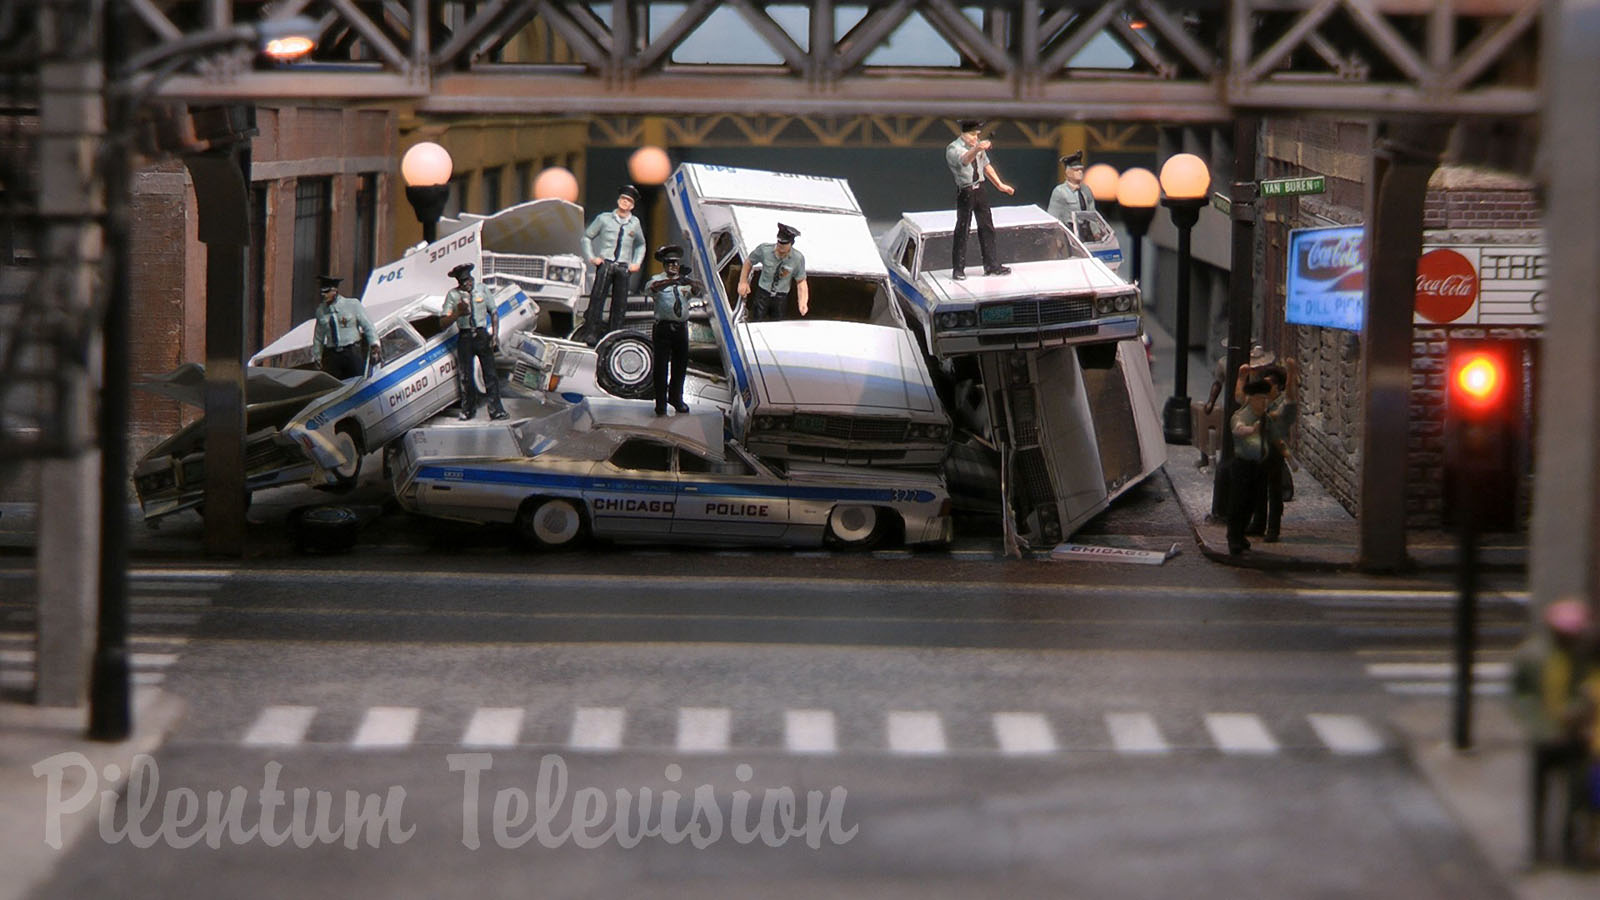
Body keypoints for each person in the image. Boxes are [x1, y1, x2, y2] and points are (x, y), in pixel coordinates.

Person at [1511, 597, 1598, 865]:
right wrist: (1538, 724)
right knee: (1541, 794)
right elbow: (1521, 695)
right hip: (1545, 735)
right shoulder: (1532, 656)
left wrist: (1580, 711)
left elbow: (1590, 686)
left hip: (1575, 734)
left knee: (1575, 794)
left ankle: (1569, 847)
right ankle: (1538, 848)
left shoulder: (1584, 655)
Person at [944, 118, 1015, 280]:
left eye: (978, 135)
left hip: (980, 189)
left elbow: (985, 166)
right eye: (973, 135)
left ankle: (991, 265)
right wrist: (977, 148)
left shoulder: (976, 147)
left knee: (987, 227)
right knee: (963, 229)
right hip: (966, 191)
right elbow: (964, 160)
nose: (976, 138)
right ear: (964, 134)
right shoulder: (953, 148)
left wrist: (1000, 184)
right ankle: (958, 269)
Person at [578, 184, 647, 346]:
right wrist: (592, 257)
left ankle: (615, 335)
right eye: (623, 199)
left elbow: (641, 244)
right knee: (597, 298)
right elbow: (587, 237)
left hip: (623, 267)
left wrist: (636, 263)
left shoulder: (634, 223)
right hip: (606, 264)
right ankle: (591, 332)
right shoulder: (604, 218)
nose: (625, 203)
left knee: (620, 303)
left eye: (629, 201)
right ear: (618, 200)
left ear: (632, 205)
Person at [441, 263, 507, 421]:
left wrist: (495, 335)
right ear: (458, 282)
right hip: (465, 337)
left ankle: (496, 409)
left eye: (468, 279)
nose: (467, 283)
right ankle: (468, 409)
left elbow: (494, 312)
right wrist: (457, 312)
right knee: (465, 376)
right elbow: (443, 322)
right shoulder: (453, 295)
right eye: (463, 281)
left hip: (482, 335)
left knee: (490, 374)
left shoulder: (482, 289)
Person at [1249, 358, 1299, 543]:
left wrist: (1292, 373)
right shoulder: (1262, 402)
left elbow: (1291, 395)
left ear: (1278, 387)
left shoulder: (1282, 405)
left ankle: (1273, 528)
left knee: (1274, 491)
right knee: (1258, 488)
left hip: (1275, 450)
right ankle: (1258, 523)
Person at [648, 244, 697, 416]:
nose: (673, 266)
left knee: (680, 366)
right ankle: (660, 402)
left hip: (681, 328)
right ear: (664, 264)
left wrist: (688, 280)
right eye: (669, 263)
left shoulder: (683, 281)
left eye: (675, 263)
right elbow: (652, 288)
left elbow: (697, 291)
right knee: (661, 367)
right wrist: (672, 281)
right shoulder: (657, 279)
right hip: (663, 328)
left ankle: (676, 398)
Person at [1226, 379, 1272, 555]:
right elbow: (1238, 429)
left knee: (1253, 501)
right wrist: (1251, 430)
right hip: (1243, 464)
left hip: (1259, 465)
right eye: (1261, 398)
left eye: (1265, 398)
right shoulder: (1242, 415)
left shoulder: (1264, 417)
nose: (1264, 402)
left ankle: (1242, 534)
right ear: (1252, 398)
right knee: (1239, 502)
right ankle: (1234, 537)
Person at [310, 275, 379, 380]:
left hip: (351, 351)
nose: (324, 295)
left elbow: (368, 326)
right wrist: (317, 357)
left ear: (335, 291)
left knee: (359, 380)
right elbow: (318, 337)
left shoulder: (352, 305)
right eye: (322, 292)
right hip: (333, 354)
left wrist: (374, 345)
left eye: (327, 291)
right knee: (334, 384)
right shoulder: (321, 311)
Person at [737, 223, 809, 322]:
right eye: (779, 245)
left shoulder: (797, 258)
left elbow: (801, 281)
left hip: (781, 297)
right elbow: (749, 262)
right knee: (756, 319)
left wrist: (803, 302)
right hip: (763, 293)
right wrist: (743, 281)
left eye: (784, 247)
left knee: (778, 322)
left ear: (791, 244)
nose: (780, 249)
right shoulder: (764, 250)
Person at [1047, 150, 1095, 229]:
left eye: (1081, 170)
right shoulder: (1060, 191)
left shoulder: (1086, 190)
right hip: (1070, 230)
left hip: (1086, 231)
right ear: (1068, 173)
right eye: (1076, 170)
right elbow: (1053, 216)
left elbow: (1093, 214)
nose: (1080, 172)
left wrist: (1096, 232)